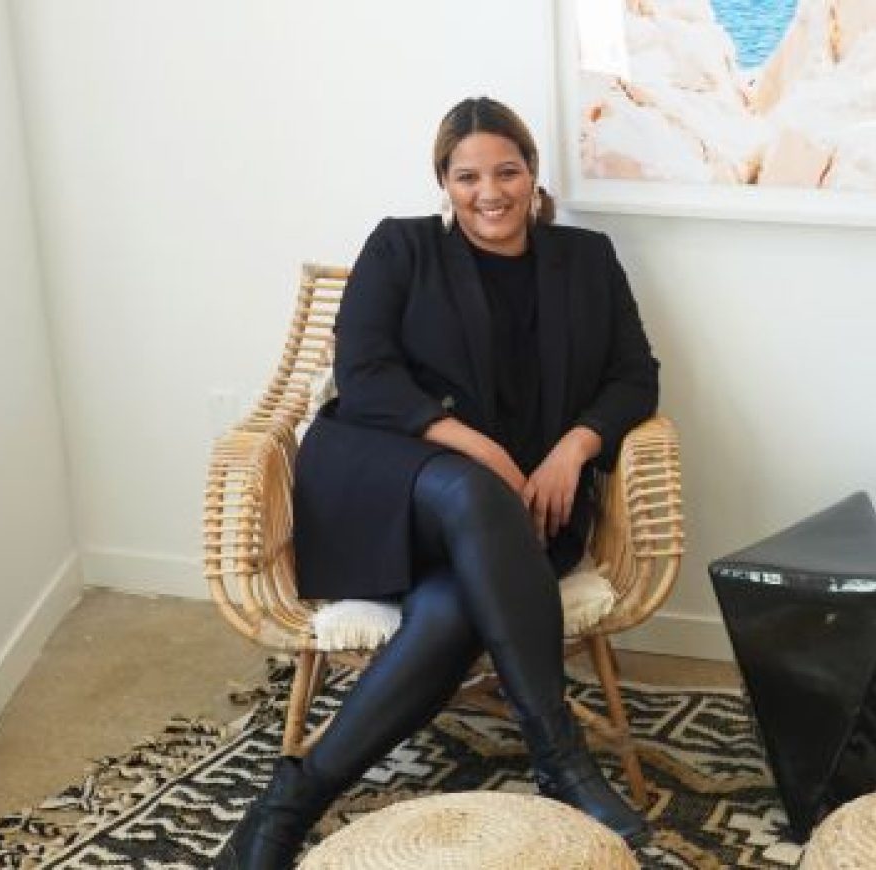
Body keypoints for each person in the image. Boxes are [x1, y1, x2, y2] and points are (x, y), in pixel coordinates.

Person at [216, 96, 659, 869]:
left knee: (453, 609)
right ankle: (562, 759)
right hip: (384, 478)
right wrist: (476, 447)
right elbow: (363, 371)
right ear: (444, 183)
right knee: (471, 490)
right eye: (468, 177)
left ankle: (285, 809)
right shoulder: (402, 248)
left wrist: (574, 448)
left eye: (507, 172)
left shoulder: (586, 260)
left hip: (522, 511)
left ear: (532, 173)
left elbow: (634, 376)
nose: (490, 193)